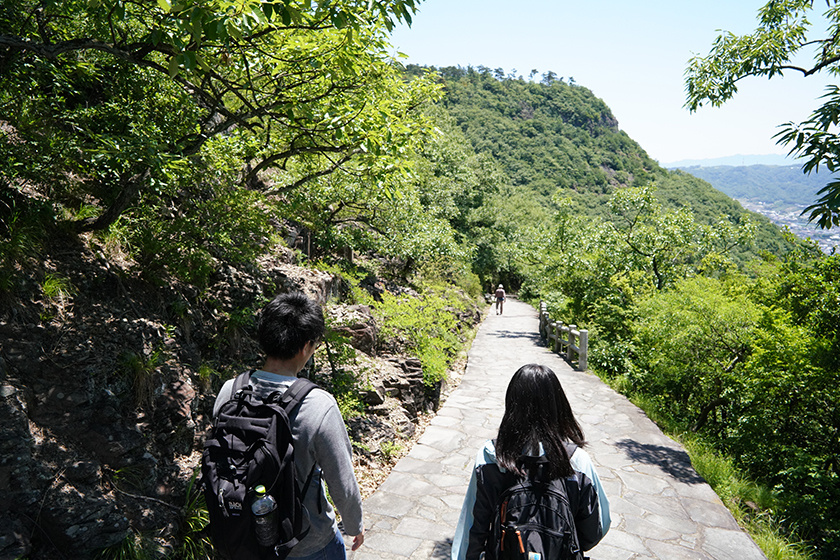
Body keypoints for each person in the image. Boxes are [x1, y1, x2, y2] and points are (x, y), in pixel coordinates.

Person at [213, 292, 365, 559]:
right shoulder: (318, 405)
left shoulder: (230, 391)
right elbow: (342, 481)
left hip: (241, 536)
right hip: (307, 544)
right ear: (306, 346)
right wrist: (355, 526)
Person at [451, 364, 610, 560]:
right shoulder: (577, 461)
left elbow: (472, 527)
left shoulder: (492, 456)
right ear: (558, 405)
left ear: (511, 404)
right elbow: (597, 528)